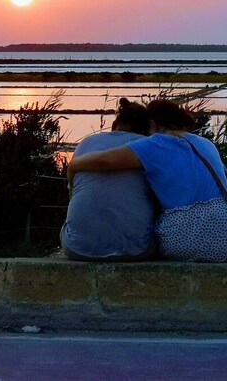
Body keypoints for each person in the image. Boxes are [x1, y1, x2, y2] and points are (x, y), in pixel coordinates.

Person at [67, 99, 227, 262]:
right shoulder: (206, 144)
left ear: (152, 124)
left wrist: (73, 165)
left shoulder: (154, 144)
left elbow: (104, 160)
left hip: (186, 239)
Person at [60, 98, 159, 261]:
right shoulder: (147, 146)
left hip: (77, 248)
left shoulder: (87, 142)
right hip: (136, 251)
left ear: (115, 125)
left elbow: (72, 190)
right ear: (148, 127)